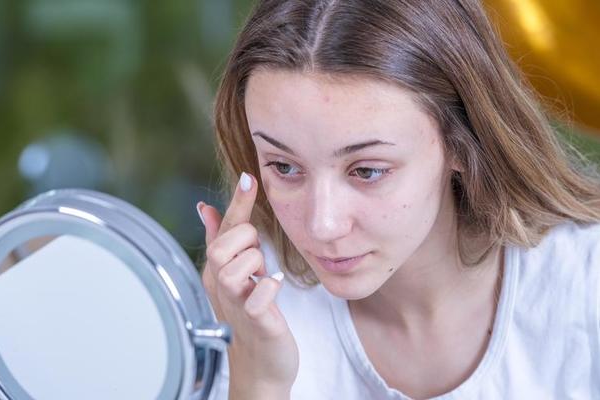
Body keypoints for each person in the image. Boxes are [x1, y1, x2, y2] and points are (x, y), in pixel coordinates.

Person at [195, 0, 600, 398]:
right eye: (284, 167)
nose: (323, 225)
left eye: (368, 171)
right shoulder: (248, 302)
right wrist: (260, 383)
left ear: (463, 141)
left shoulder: (585, 282)